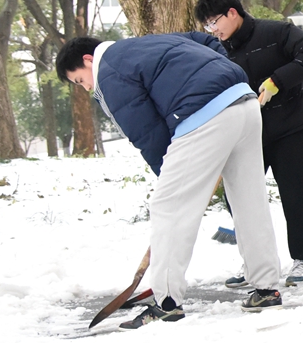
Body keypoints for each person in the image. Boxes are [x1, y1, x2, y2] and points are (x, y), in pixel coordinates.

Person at [56, 33, 287, 324]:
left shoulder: (109, 71)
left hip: (204, 113)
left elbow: (147, 133)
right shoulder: (147, 42)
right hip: (244, 100)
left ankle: (166, 302)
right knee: (248, 199)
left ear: (89, 60)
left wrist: (172, 179)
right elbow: (205, 40)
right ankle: (267, 289)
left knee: (168, 205)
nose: (87, 88)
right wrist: (218, 74)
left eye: (80, 80)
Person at [193, 0, 303, 287]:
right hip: (244, 134)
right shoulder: (216, 49)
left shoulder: (276, 32)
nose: (212, 30)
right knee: (239, 199)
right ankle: (255, 261)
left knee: (296, 195)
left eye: (214, 22)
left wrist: (278, 80)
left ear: (232, 13)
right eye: (206, 26)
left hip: (288, 125)